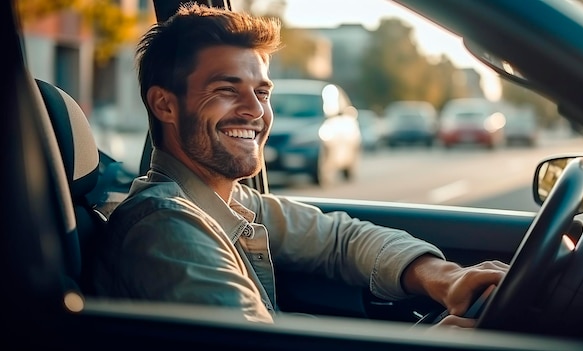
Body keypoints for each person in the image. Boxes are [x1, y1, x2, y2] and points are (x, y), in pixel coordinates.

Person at [92, 1, 508, 326]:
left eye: (262, 91)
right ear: (164, 104)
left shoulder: (229, 203)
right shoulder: (166, 226)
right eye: (226, 89)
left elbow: (338, 240)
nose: (254, 110)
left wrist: (444, 276)